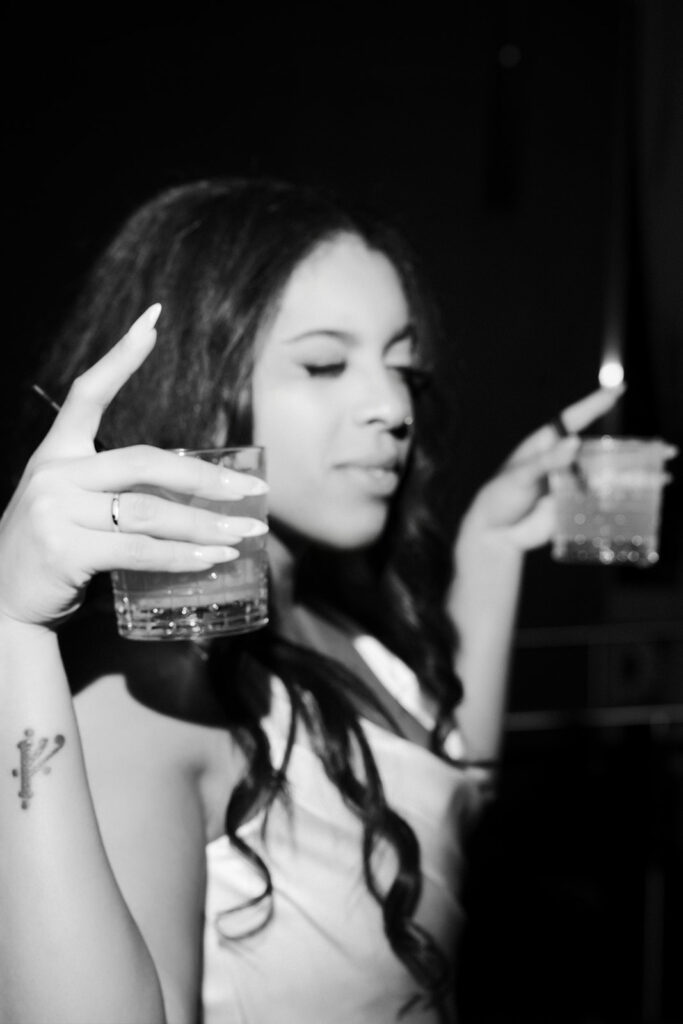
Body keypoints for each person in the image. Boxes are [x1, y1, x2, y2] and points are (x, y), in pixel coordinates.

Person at [0, 177, 623, 1024]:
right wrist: (14, 628)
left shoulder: (328, 612)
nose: (391, 406)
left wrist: (489, 548)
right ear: (201, 375)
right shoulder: (156, 686)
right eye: (325, 363)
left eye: (404, 367)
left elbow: (440, 799)